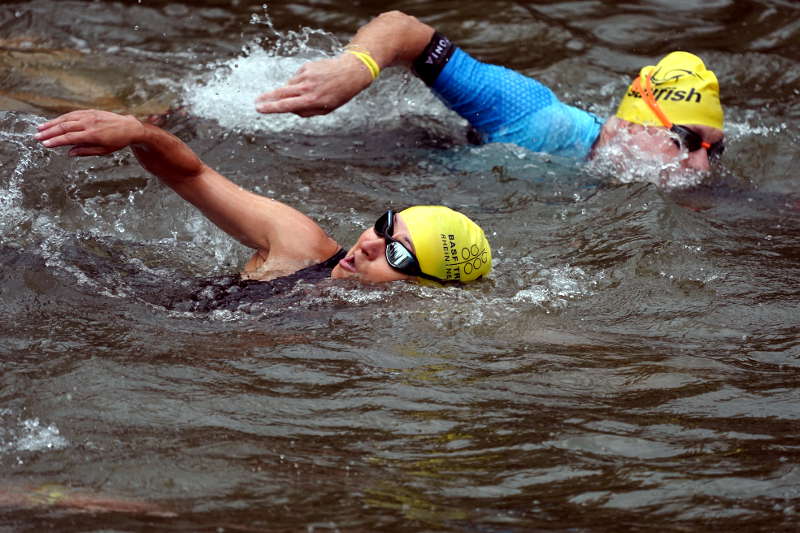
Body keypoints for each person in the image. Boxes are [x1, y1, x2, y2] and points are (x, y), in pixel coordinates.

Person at [34, 110, 491, 290]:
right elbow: (190, 173)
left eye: (396, 253)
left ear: (421, 290)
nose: (371, 243)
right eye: (385, 225)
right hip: (99, 287)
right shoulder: (300, 246)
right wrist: (138, 131)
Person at [255, 11, 725, 174]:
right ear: (629, 123)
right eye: (684, 139)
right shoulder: (535, 117)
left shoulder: (657, 180)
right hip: (307, 138)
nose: (700, 165)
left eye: (712, 149)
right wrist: (354, 69)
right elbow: (403, 31)